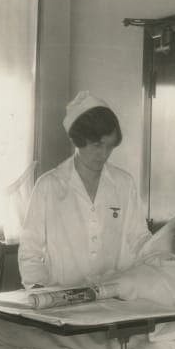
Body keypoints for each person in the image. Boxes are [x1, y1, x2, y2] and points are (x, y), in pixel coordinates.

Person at [18, 92, 151, 288]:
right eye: (97, 145)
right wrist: (41, 290)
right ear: (76, 140)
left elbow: (139, 238)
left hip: (114, 298)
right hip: (61, 300)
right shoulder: (49, 186)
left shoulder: (124, 184)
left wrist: (162, 253)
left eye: (110, 146)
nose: (104, 154)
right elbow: (30, 249)